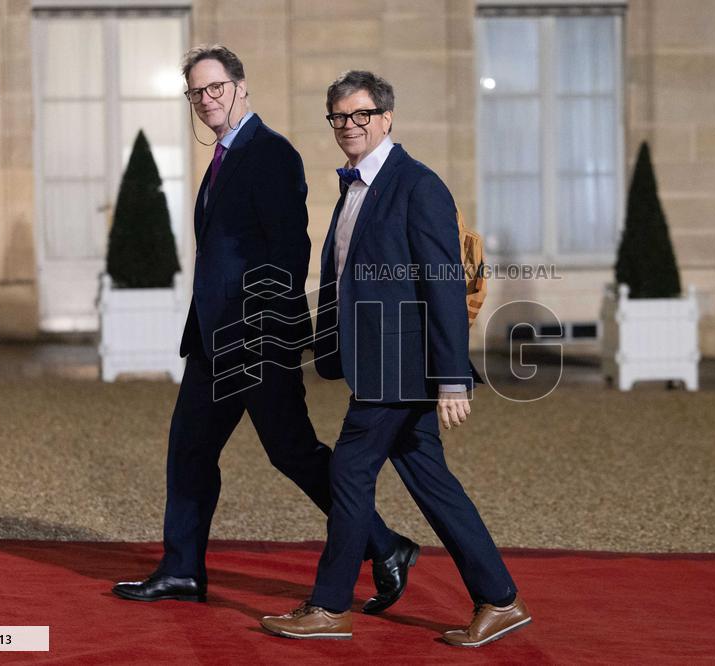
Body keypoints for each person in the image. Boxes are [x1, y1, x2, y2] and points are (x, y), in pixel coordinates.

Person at [112, 48, 417, 612]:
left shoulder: (270, 153)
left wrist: (258, 328)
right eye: (197, 93)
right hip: (212, 340)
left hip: (254, 339)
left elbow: (289, 249)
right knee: (189, 450)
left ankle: (386, 545)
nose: (207, 100)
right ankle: (182, 570)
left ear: (241, 86)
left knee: (292, 451)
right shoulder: (226, 156)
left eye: (216, 87)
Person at [260, 71, 530, 647]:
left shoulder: (417, 185)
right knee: (431, 481)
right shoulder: (353, 186)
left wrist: (453, 377)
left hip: (402, 366)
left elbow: (444, 285)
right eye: (338, 117)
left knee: (350, 471)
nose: (349, 126)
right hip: (378, 362)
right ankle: (500, 599)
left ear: (386, 118)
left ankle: (331, 607)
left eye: (360, 115)